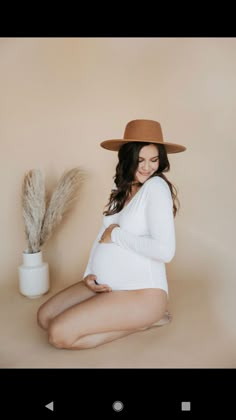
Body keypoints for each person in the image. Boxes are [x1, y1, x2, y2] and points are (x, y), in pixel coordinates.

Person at [37, 119, 186, 349]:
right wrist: (89, 273)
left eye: (153, 160)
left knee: (59, 335)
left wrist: (116, 235)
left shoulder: (155, 188)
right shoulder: (121, 189)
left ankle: (142, 322)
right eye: (140, 160)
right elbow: (101, 235)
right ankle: (126, 316)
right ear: (127, 159)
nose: (147, 167)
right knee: (44, 317)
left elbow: (165, 251)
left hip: (142, 293)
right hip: (106, 285)